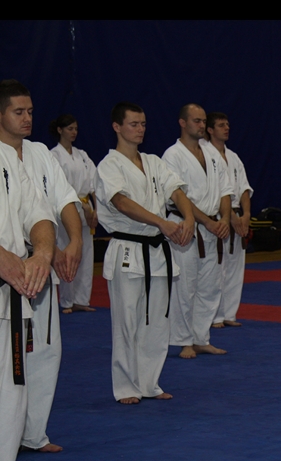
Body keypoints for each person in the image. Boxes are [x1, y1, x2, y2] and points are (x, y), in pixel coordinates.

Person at [0, 80, 82, 454]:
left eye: (30, 111)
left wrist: (74, 242)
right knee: (11, 360)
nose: (27, 118)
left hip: (41, 262)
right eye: (19, 112)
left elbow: (63, 201)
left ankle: (33, 433)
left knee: (45, 350)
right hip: (10, 265)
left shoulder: (39, 154)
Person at [96, 102, 194, 404]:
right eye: (133, 124)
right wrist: (161, 222)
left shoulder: (153, 162)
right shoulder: (109, 165)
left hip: (157, 250)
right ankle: (126, 386)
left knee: (157, 322)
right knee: (127, 322)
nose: (140, 129)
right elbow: (121, 203)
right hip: (128, 249)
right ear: (117, 127)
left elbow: (176, 191)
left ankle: (149, 383)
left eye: (143, 124)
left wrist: (189, 218)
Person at [0, 138, 56, 461]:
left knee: (10, 403)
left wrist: (42, 252)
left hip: (8, 295)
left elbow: (37, 212)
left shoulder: (7, 158)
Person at [162, 104, 233, 359]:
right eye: (196, 121)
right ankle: (184, 341)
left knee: (210, 287)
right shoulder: (172, 155)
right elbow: (178, 195)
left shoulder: (212, 153)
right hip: (186, 226)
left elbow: (225, 190)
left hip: (214, 227)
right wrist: (206, 221)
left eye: (203, 121)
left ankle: (201, 337)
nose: (202, 125)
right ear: (182, 123)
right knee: (185, 286)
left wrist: (225, 219)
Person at [205, 112, 253, 328]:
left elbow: (244, 188)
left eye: (227, 125)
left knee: (235, 268)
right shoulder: (205, 155)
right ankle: (215, 315)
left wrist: (246, 216)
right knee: (217, 269)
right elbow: (217, 191)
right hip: (218, 217)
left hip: (237, 217)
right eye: (221, 125)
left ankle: (229, 314)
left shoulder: (233, 157)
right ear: (210, 130)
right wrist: (232, 218)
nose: (226, 128)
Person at [49, 114, 98, 314]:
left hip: (87, 207)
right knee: (67, 251)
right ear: (60, 130)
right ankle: (67, 300)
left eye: (76, 128)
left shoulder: (82, 155)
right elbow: (58, 186)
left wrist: (96, 210)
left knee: (86, 254)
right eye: (70, 128)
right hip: (66, 208)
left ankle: (81, 299)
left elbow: (94, 183)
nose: (74, 132)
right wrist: (84, 207)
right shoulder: (54, 155)